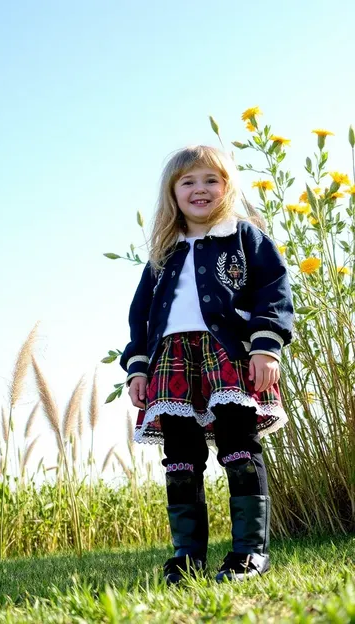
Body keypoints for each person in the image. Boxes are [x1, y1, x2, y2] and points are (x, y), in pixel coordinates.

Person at [120, 145, 294, 585]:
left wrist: (265, 347)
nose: (200, 189)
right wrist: (138, 367)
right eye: (188, 182)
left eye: (211, 180)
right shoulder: (163, 253)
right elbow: (139, 315)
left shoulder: (244, 236)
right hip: (170, 360)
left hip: (230, 354)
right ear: (173, 193)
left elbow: (273, 289)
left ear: (227, 186)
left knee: (239, 445)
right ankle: (187, 557)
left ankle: (249, 553)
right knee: (180, 456)